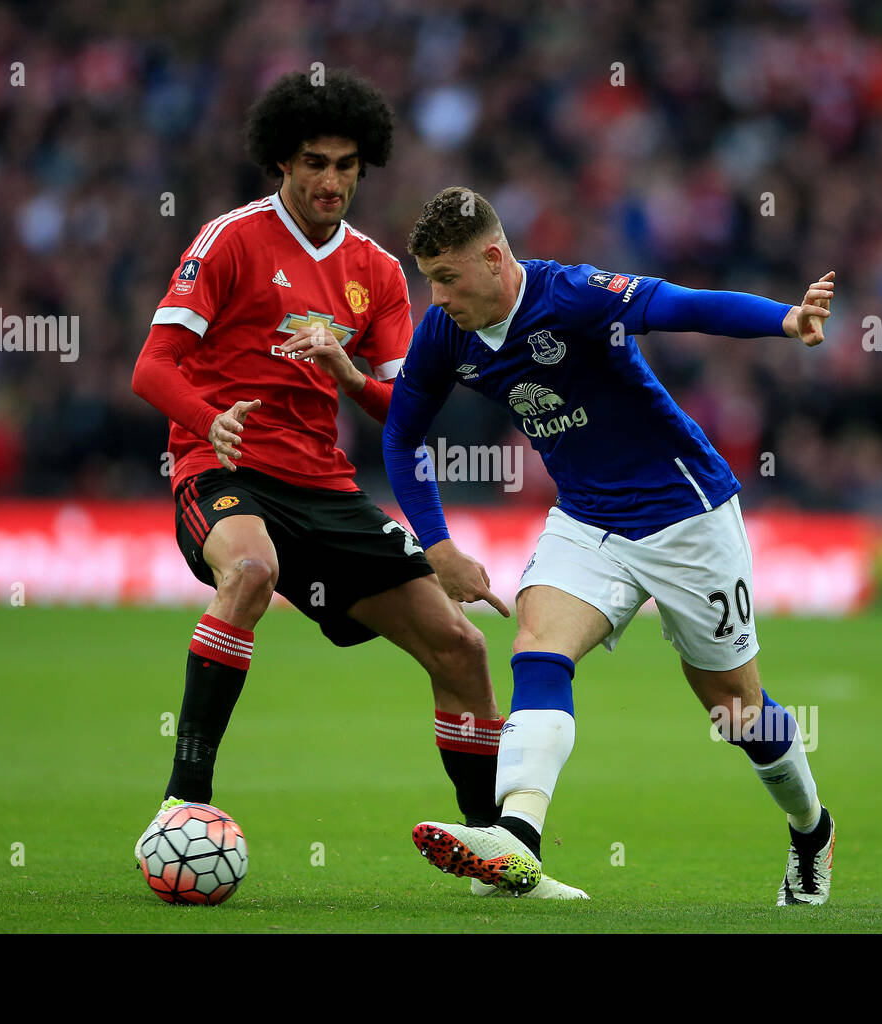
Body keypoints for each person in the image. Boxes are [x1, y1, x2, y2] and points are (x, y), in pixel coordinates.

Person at [130, 73, 585, 900]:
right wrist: (208, 420)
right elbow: (151, 368)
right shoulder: (230, 240)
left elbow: (401, 408)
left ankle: (498, 857)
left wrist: (346, 372)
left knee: (463, 649)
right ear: (281, 159)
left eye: (346, 165)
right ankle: (183, 801)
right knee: (252, 571)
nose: (330, 181)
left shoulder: (374, 270)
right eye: (313, 162)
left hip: (324, 489)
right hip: (224, 471)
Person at [383, 186, 836, 904]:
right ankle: (518, 841)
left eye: (447, 278)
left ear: (495, 260)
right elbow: (401, 434)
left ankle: (811, 828)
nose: (435, 298)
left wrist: (785, 319)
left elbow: (680, 305)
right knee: (537, 643)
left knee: (734, 709)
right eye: (428, 278)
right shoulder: (446, 333)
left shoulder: (574, 295)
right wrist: (435, 543)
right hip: (588, 519)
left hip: (686, 513)